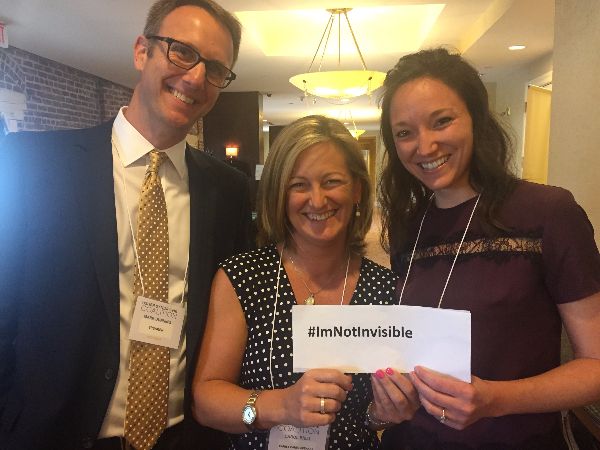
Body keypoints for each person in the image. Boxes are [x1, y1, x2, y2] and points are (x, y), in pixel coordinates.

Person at [0, 1, 252, 449]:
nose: (195, 76)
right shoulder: (33, 166)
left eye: (215, 68)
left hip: (185, 437)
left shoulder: (229, 192)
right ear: (142, 51)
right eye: (181, 51)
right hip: (57, 433)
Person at [374, 47, 600, 449]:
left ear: (476, 118)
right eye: (404, 132)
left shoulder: (548, 212)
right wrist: (391, 397)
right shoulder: (410, 229)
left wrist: (495, 399)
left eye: (441, 121)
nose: (424, 147)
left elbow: (595, 366)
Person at [192, 115, 400, 449]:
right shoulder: (244, 278)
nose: (317, 201)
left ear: (357, 188)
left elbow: (370, 417)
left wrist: (384, 412)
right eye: (298, 185)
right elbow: (205, 402)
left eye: (332, 182)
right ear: (279, 193)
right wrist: (280, 406)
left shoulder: (386, 290)